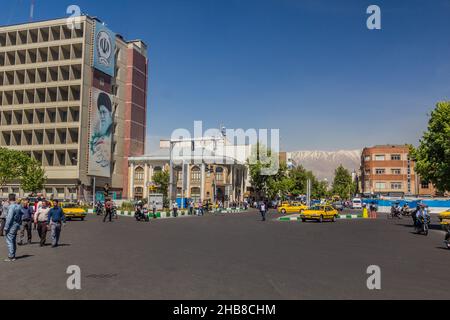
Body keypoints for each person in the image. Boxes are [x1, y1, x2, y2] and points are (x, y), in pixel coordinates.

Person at [3, 194, 22, 262]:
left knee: (9, 240)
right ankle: (13, 255)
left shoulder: (11, 207)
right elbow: (22, 214)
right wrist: (19, 223)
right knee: (13, 240)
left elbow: (9, 217)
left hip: (11, 225)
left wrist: (5, 227)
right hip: (16, 224)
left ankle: (11, 256)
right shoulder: (18, 206)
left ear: (9, 198)